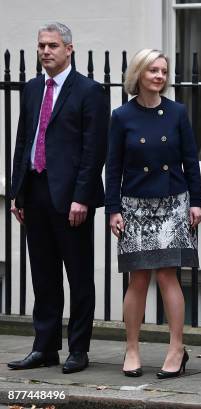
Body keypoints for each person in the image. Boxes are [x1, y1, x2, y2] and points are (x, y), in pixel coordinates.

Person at [8, 22, 108, 374]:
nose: (46, 51)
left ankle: (78, 350)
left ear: (69, 49)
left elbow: (93, 150)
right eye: (41, 45)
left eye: (52, 45)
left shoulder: (90, 91)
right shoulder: (33, 88)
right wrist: (16, 192)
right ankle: (44, 347)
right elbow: (24, 140)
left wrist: (82, 197)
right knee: (43, 276)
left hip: (71, 199)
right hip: (35, 192)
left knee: (79, 276)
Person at [105, 49, 201, 379]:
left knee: (166, 275)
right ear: (139, 75)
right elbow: (113, 167)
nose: (160, 76)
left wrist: (196, 202)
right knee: (138, 279)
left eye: (163, 71)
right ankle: (132, 348)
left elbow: (191, 160)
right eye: (153, 71)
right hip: (135, 204)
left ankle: (177, 347)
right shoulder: (121, 116)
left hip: (173, 202)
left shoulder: (177, 112)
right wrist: (113, 210)